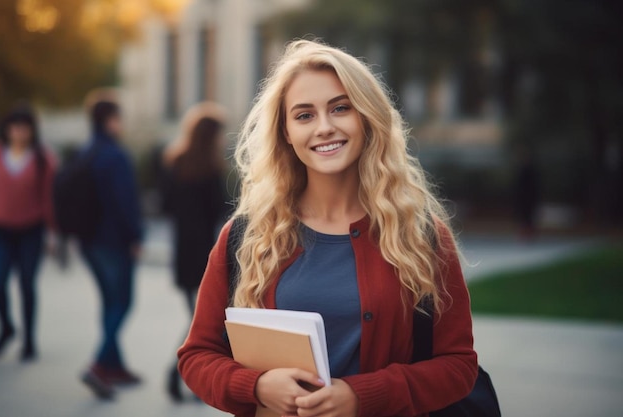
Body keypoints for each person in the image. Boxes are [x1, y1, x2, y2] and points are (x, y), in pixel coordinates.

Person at [177, 39, 477, 417]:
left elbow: (458, 366)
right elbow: (196, 357)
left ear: (366, 117)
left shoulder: (421, 236)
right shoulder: (246, 236)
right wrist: (256, 386)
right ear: (286, 131)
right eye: (304, 115)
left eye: (340, 108)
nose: (324, 127)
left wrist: (360, 396)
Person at [161, 102, 230, 401]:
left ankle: (180, 378)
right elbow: (220, 210)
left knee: (196, 318)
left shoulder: (174, 162)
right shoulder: (212, 169)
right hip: (205, 252)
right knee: (201, 324)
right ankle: (175, 376)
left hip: (182, 252)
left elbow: (164, 206)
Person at [78, 96, 144, 399]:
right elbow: (124, 202)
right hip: (114, 242)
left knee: (108, 303)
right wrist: (135, 237)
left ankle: (115, 367)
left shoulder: (86, 152)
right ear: (109, 120)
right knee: (122, 303)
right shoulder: (114, 155)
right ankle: (97, 365)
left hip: (88, 241)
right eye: (119, 117)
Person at [0, 104, 56, 362]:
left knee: (27, 283)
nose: (19, 133)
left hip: (32, 229)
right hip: (2, 228)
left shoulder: (44, 159)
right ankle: (7, 326)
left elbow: (49, 199)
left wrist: (53, 233)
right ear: (7, 130)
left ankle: (29, 339)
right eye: (15, 127)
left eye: (25, 128)